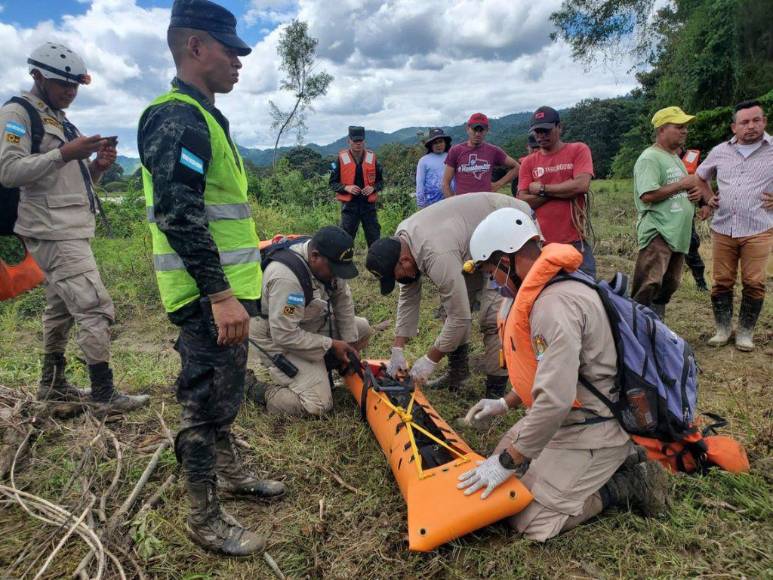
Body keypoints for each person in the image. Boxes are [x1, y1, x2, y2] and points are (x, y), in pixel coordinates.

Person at [137, 0, 284, 557]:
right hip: (207, 296)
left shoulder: (204, 116)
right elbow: (179, 212)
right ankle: (205, 517)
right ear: (196, 46)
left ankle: (230, 472)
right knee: (202, 405)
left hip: (226, 293)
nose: (240, 62)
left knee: (225, 398)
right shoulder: (175, 116)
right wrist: (220, 294)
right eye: (231, 50)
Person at [456, 207, 669, 542]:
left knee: (526, 519)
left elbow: (554, 400)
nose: (492, 281)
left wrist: (509, 461)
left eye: (490, 271)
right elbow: (550, 372)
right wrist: (505, 402)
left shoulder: (555, 306)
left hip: (594, 422)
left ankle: (626, 482)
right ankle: (615, 459)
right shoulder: (541, 290)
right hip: (569, 412)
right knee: (501, 466)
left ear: (505, 259)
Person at [0, 43, 148, 411]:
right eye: (61, 84)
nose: (70, 92)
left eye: (75, 86)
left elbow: (66, 183)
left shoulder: (60, 120)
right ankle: (103, 394)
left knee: (61, 308)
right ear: (37, 76)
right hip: (51, 230)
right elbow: (9, 171)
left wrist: (97, 166)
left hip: (69, 226)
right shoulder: (18, 114)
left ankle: (52, 386)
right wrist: (66, 152)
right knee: (94, 306)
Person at [365, 192, 531, 398]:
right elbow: (408, 295)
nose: (398, 281)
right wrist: (397, 349)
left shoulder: (436, 254)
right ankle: (458, 374)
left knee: (492, 319)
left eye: (395, 276)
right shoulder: (401, 241)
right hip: (470, 242)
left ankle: (495, 394)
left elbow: (460, 317)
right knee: (449, 310)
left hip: (507, 227)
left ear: (405, 261)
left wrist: (430, 360)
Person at [249, 226, 372, 415]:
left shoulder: (329, 263)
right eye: (335, 269)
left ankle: (325, 366)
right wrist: (330, 344)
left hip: (306, 321)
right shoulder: (287, 280)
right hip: (275, 336)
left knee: (361, 328)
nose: (337, 275)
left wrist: (350, 345)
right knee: (319, 404)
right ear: (314, 256)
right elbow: (284, 334)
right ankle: (256, 389)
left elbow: (342, 300)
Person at [696, 100, 772, 351]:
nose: (751, 126)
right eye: (745, 122)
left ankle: (746, 333)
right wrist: (708, 198)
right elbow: (700, 176)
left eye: (756, 120)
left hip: (759, 226)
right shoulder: (720, 151)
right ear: (734, 127)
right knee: (721, 281)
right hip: (724, 227)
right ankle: (723, 329)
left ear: (764, 121)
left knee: (754, 282)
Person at [630, 106, 701, 319]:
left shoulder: (673, 157)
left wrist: (694, 194)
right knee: (649, 282)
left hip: (677, 232)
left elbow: (678, 188)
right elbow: (647, 195)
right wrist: (681, 185)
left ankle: (656, 324)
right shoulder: (650, 158)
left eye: (685, 127)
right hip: (659, 230)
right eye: (679, 127)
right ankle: (637, 327)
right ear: (661, 130)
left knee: (670, 283)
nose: (685, 131)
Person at [517, 107, 597, 277]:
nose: (541, 136)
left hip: (575, 242)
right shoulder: (528, 162)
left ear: (559, 127)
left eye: (546, 130)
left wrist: (542, 189)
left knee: (587, 292)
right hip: (540, 245)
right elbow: (523, 201)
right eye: (537, 131)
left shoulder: (578, 150)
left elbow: (581, 186)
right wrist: (565, 188)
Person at [329, 126, 383, 247]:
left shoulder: (372, 158)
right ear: (349, 141)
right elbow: (332, 183)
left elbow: (381, 182)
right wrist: (346, 188)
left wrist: (373, 188)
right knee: (345, 239)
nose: (358, 144)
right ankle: (343, 264)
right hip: (350, 206)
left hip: (368, 206)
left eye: (360, 141)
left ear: (364, 141)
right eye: (355, 141)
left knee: (374, 237)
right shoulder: (341, 159)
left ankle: (376, 264)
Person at [442, 113, 519, 197]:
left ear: (487, 130)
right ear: (468, 129)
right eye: (475, 129)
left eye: (481, 130)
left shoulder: (493, 151)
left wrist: (498, 184)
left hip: (485, 201)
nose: (477, 134)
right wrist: (453, 203)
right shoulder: (455, 151)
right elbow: (445, 183)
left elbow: (517, 167)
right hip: (463, 202)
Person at [415, 127, 452, 208]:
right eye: (435, 143)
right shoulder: (424, 161)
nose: (438, 145)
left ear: (445, 142)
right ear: (430, 145)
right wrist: (421, 205)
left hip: (451, 201)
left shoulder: (451, 156)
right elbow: (420, 184)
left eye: (441, 141)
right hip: (431, 204)